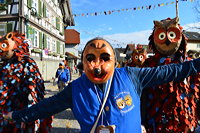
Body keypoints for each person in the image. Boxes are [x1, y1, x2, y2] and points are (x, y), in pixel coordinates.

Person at [3, 37, 200, 133]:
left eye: (104, 58)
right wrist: (17, 115)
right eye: (91, 58)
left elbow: (171, 71)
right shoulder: (75, 89)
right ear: (82, 62)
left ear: (115, 60)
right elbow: (45, 107)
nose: (97, 66)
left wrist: (197, 64)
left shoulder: (132, 75)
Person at [141, 17, 200, 133]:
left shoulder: (189, 63)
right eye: (162, 35)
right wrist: (142, 121)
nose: (168, 40)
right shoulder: (149, 65)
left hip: (185, 123)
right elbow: (143, 95)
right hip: (156, 124)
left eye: (172, 35)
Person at [0, 32, 52, 133]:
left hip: (18, 116)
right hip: (4, 115)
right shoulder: (4, 65)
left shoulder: (27, 63)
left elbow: (33, 91)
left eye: (4, 45)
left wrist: (28, 115)